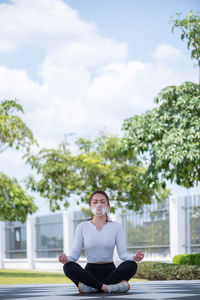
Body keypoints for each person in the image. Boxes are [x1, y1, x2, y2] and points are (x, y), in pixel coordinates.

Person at [58, 189, 144, 294]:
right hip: (90, 273)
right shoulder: (82, 227)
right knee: (68, 267)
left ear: (108, 206)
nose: (99, 205)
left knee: (132, 265)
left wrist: (133, 258)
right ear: (90, 206)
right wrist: (67, 259)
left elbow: (122, 254)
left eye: (102, 202)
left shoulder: (116, 226)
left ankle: (91, 288)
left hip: (111, 272)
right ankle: (108, 288)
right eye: (95, 202)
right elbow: (75, 255)